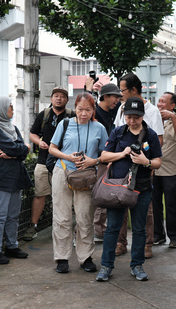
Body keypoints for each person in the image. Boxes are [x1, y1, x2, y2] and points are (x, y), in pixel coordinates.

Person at [97, 97, 162, 282]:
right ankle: (106, 266)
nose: (132, 121)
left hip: (141, 188)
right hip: (118, 188)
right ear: (124, 115)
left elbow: (158, 161)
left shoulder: (150, 135)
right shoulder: (118, 132)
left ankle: (137, 265)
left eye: (136, 117)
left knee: (140, 229)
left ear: (143, 116)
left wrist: (146, 162)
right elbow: (103, 156)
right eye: (129, 117)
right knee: (113, 228)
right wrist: (123, 153)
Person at [48, 92, 108, 274]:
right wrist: (68, 157)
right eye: (80, 109)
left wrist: (93, 161)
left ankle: (86, 257)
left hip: (86, 176)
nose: (83, 113)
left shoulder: (99, 128)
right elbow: (52, 148)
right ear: (75, 108)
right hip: (63, 171)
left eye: (88, 110)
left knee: (84, 217)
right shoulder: (64, 124)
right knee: (62, 217)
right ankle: (62, 258)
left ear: (93, 110)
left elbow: (105, 154)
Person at [114, 72, 163, 258]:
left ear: (134, 90)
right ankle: (121, 242)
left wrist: (149, 163)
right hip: (121, 168)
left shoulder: (152, 111)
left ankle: (146, 245)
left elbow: (159, 140)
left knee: (145, 209)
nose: (121, 94)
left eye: (123, 90)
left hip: (143, 167)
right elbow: (116, 134)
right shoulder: (121, 109)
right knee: (120, 205)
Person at [0, 97, 32, 265]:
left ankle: (12, 246)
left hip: (15, 176)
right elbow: (18, 148)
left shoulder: (13, 128)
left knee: (13, 215)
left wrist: (16, 152)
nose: (12, 109)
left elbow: (23, 150)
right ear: (0, 109)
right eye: (9, 106)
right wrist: (18, 151)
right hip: (0, 176)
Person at [25, 86, 73, 241]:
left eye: (62, 96)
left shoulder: (72, 116)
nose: (59, 98)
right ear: (51, 98)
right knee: (40, 194)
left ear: (66, 99)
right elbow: (32, 133)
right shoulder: (44, 115)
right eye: (56, 96)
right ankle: (33, 226)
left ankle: (66, 229)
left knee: (65, 196)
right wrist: (39, 142)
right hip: (44, 161)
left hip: (65, 162)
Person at [152, 91, 176, 248]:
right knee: (155, 204)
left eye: (163, 101)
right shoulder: (153, 118)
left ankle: (175, 237)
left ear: (172, 105)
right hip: (154, 168)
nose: (160, 104)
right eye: (159, 101)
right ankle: (158, 235)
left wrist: (172, 118)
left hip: (171, 169)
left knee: (172, 204)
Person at [92, 82, 122, 241]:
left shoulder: (114, 111)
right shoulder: (95, 113)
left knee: (106, 196)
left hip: (111, 159)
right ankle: (96, 231)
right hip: (98, 161)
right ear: (105, 97)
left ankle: (100, 230)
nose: (117, 100)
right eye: (115, 97)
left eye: (118, 96)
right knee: (100, 197)